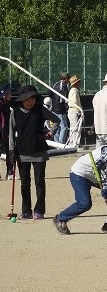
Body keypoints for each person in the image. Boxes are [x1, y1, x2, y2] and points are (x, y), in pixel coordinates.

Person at [9, 85, 60, 219]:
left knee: (40, 183)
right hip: (22, 152)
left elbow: (57, 120)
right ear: (21, 99)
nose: (30, 101)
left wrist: (50, 133)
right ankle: (26, 211)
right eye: (27, 99)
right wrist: (11, 151)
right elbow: (10, 132)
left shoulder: (40, 109)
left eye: (32, 98)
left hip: (39, 152)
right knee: (25, 184)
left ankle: (39, 211)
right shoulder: (15, 112)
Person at [49, 72, 70, 144]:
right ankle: (61, 144)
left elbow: (49, 92)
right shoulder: (64, 86)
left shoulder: (55, 84)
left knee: (56, 127)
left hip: (54, 108)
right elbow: (65, 97)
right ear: (66, 78)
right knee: (64, 127)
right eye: (68, 78)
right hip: (61, 109)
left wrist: (54, 100)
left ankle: (57, 143)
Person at [0, 83, 13, 179]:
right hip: (2, 132)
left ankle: (10, 173)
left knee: (10, 152)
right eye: (9, 93)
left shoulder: (7, 104)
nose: (11, 95)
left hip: (6, 132)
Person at [67, 75, 83, 147]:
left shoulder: (73, 91)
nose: (79, 83)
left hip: (72, 110)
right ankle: (75, 143)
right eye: (78, 82)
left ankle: (73, 142)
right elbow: (75, 102)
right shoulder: (74, 91)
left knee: (73, 127)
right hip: (74, 111)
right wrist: (79, 111)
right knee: (76, 128)